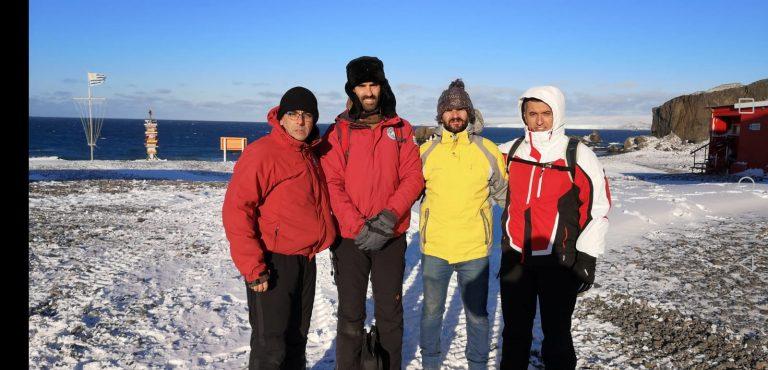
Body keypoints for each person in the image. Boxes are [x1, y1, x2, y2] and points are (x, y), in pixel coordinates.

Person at [318, 56, 424, 369]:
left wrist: (388, 218)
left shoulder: (401, 129)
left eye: (373, 84)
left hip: (391, 237)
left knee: (390, 314)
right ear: (352, 90)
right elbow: (331, 182)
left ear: (382, 87)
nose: (368, 91)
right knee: (351, 316)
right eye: (361, 85)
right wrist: (358, 225)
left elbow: (413, 176)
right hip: (350, 239)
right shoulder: (338, 132)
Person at [222, 87, 336, 369]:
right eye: (293, 114)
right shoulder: (262, 154)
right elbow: (236, 210)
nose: (300, 121)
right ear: (281, 118)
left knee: (297, 339)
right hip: (273, 261)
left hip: (305, 261)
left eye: (307, 115)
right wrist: (253, 266)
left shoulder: (310, 153)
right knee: (270, 345)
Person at [499, 86, 611, 369]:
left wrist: (587, 256)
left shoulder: (577, 154)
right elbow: (476, 164)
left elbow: (598, 207)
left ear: (557, 113)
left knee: (557, 335)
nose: (539, 120)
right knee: (514, 334)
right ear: (523, 115)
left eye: (546, 113)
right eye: (532, 113)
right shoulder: (512, 151)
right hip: (516, 258)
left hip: (559, 261)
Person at [417, 79, 507, 370]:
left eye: (460, 109)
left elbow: (505, 196)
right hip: (436, 248)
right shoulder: (426, 152)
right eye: (449, 109)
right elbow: (406, 192)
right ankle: (431, 363)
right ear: (440, 115)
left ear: (469, 113)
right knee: (431, 313)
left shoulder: (488, 150)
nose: (455, 115)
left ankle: (477, 364)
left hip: (474, 250)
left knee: (477, 314)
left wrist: (521, 237)